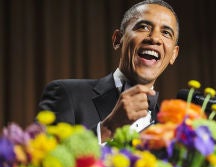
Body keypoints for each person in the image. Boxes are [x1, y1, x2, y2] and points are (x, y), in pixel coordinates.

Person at [38, 0, 179, 144]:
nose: (155, 38)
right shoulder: (65, 93)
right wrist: (107, 129)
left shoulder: (173, 129)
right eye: (143, 27)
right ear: (117, 39)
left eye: (166, 33)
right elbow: (46, 161)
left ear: (174, 54)